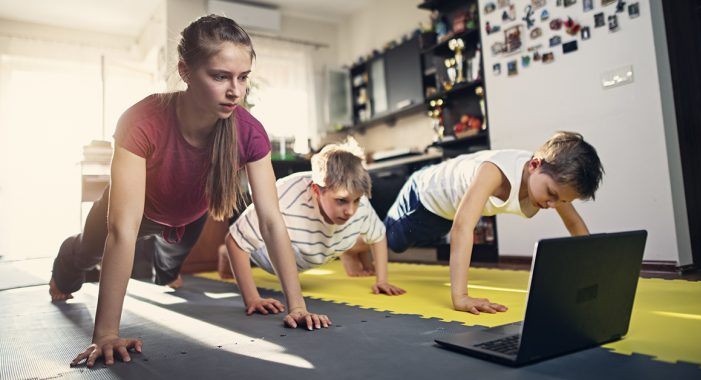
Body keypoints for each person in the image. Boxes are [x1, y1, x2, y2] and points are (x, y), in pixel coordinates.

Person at [48, 15, 330, 368]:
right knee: (86, 255)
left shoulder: (249, 132)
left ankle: (155, 268)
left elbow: (272, 221)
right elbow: (123, 229)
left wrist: (297, 305)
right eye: (220, 76)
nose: (235, 91)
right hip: (133, 215)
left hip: (188, 219)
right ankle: (65, 263)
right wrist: (106, 334)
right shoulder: (141, 120)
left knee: (165, 278)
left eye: (243, 77)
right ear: (185, 71)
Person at [384, 131, 604, 315]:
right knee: (393, 242)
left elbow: (574, 223)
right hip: (424, 197)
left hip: (447, 212)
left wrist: (593, 270)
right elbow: (462, 228)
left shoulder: (552, 182)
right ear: (534, 165)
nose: (554, 204)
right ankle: (357, 243)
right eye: (551, 194)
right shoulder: (495, 172)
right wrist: (460, 297)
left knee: (419, 238)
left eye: (563, 200)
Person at [225, 139, 406, 316]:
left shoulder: (357, 200)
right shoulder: (285, 198)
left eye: (356, 200)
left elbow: (379, 236)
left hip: (316, 250)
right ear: (317, 190)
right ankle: (224, 254)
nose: (350, 210)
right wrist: (252, 299)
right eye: (341, 201)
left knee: (373, 231)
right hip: (268, 255)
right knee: (242, 242)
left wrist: (382, 280)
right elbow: (234, 241)